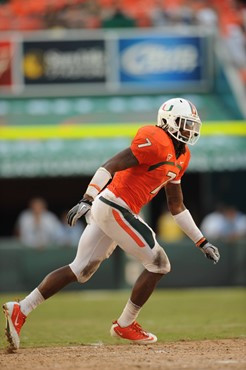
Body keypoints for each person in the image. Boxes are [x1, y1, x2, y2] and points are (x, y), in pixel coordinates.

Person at [3, 98, 220, 350]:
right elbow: (111, 165)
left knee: (80, 270)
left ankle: (21, 309)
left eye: (193, 126)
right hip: (115, 205)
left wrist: (201, 241)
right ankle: (125, 324)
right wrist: (87, 197)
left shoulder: (183, 156)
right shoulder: (156, 139)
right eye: (185, 125)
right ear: (168, 122)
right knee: (159, 264)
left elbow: (176, 206)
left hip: (115, 208)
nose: (190, 131)